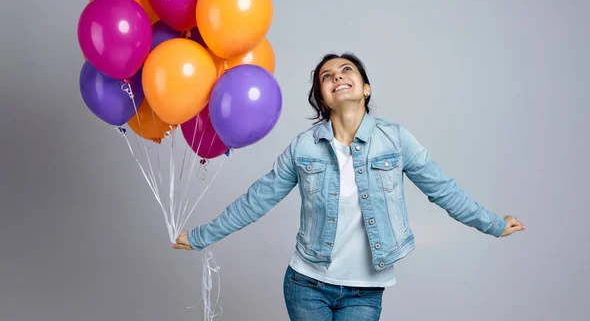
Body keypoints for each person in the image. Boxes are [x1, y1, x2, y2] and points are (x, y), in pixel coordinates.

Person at [173, 52, 525, 320]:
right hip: (306, 285)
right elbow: (257, 200)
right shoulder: (304, 147)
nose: (337, 77)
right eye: (327, 76)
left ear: (365, 87)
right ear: (322, 97)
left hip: (365, 292)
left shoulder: (396, 140)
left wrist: (492, 224)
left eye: (346, 71)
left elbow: (443, 189)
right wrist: (202, 235)